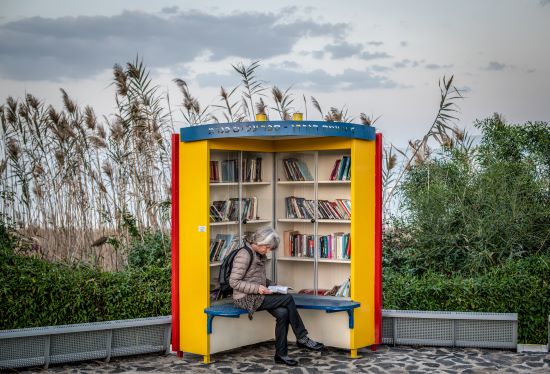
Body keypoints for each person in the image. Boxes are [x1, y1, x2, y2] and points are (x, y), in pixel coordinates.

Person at [229, 226, 324, 366]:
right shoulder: (244, 255)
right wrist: (258, 288)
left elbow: (257, 278)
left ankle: (281, 355)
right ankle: (302, 337)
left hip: (256, 295)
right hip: (244, 298)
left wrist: (275, 287)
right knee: (288, 298)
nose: (268, 251)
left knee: (283, 313)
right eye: (267, 248)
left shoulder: (258, 254)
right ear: (260, 242)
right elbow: (234, 282)